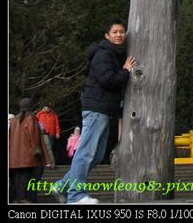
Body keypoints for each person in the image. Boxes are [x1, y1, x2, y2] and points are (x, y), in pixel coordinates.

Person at [53, 18, 135, 205]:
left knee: (96, 156)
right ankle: (75, 196)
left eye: (122, 32)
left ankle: (62, 185)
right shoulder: (103, 54)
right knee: (86, 153)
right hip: (96, 109)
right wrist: (125, 71)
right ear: (107, 35)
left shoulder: (113, 54)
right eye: (114, 32)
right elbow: (108, 80)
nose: (119, 35)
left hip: (104, 110)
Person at [9, 97, 52, 203]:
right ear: (32, 107)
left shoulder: (14, 120)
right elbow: (34, 137)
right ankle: (23, 198)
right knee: (27, 176)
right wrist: (37, 151)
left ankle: (17, 198)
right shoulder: (31, 118)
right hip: (27, 155)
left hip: (14, 155)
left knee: (16, 177)